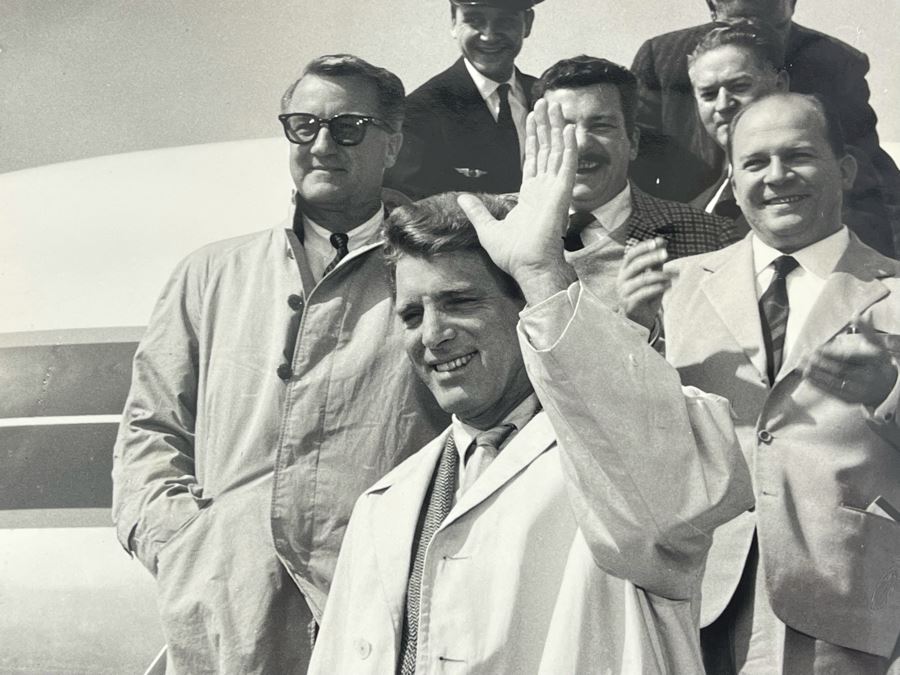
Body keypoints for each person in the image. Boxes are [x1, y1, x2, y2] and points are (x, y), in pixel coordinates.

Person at [308, 99, 753, 673]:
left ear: (525, 308)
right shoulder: (384, 506)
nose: (434, 336)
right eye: (412, 315)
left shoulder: (621, 464)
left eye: (461, 302)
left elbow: (664, 487)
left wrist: (543, 270)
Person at [112, 54, 447, 674]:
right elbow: (149, 429)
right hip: (234, 609)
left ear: (392, 144)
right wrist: (182, 544)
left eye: (349, 127)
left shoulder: (442, 270)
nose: (323, 144)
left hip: (392, 604)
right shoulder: (209, 275)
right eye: (303, 126)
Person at [619, 92, 900, 673]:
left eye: (798, 156)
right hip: (696, 597)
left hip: (847, 604)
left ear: (844, 170)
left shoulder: (893, 289)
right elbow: (629, 436)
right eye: (754, 162)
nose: (776, 178)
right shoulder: (666, 287)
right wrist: (628, 333)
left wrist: (890, 390)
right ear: (733, 175)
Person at [630, 0, 899, 257]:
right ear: (712, 6)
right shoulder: (663, 57)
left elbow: (870, 178)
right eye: (709, 93)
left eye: (740, 86)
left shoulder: (834, 61)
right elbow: (634, 173)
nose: (750, 35)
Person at [534, 55, 738, 303]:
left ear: (634, 142)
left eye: (601, 126)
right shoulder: (500, 229)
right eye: (564, 127)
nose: (582, 143)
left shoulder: (710, 237)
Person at [384, 0, 541, 199]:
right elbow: (411, 210)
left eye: (505, 21)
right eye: (474, 20)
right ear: (453, 21)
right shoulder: (419, 112)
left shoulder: (545, 98)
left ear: (528, 23)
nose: (488, 35)